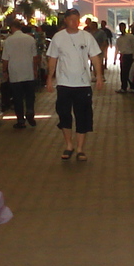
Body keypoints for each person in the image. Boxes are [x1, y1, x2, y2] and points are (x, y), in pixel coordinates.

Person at [46, 8, 104, 162]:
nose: (74, 22)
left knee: (82, 116)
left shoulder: (87, 37)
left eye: (77, 19)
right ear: (65, 20)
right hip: (64, 83)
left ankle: (80, 148)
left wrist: (99, 76)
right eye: (71, 19)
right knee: (64, 114)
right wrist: (49, 79)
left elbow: (95, 57)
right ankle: (69, 145)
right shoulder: (58, 38)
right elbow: (52, 59)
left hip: (83, 84)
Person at [1, 19, 39, 127]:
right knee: (29, 95)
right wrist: (35, 70)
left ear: (12, 27)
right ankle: (30, 110)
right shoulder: (30, 39)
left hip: (15, 73)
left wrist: (4, 71)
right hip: (28, 71)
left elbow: (5, 59)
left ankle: (20, 120)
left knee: (17, 98)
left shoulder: (8, 41)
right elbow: (35, 57)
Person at [115, 22, 134, 92]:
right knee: (123, 72)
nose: (121, 29)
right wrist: (115, 58)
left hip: (129, 55)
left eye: (122, 27)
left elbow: (133, 46)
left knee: (130, 72)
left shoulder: (130, 37)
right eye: (120, 27)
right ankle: (123, 87)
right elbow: (117, 49)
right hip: (123, 56)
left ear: (125, 27)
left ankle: (132, 86)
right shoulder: (119, 39)